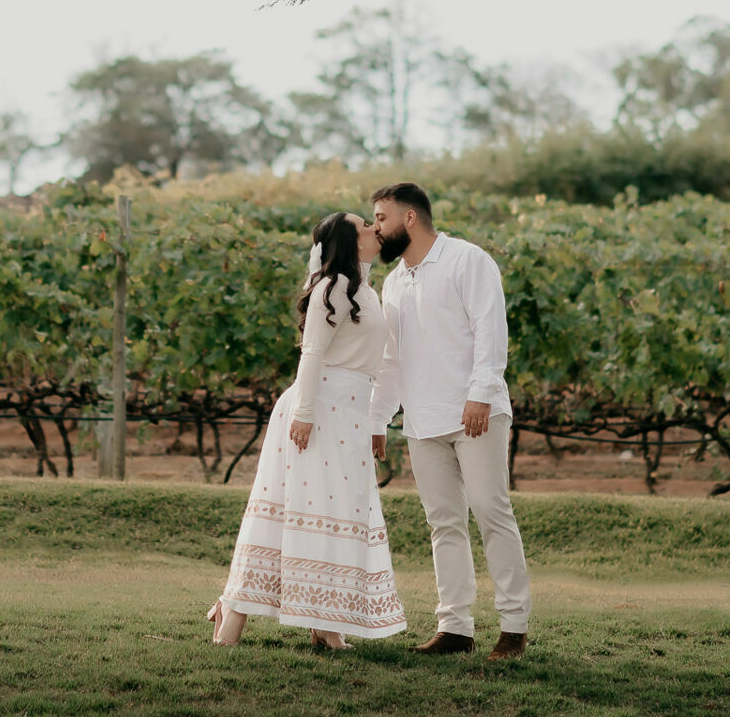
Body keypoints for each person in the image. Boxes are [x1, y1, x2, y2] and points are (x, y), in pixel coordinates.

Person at [206, 211, 407, 649]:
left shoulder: (366, 291)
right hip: (317, 411)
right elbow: (312, 352)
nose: (375, 230)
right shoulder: (332, 287)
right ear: (348, 242)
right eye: (364, 226)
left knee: (337, 514)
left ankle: (325, 623)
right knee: (282, 508)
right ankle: (232, 614)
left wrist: (376, 418)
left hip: (350, 414)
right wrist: (303, 413)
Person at [367, 181, 531, 660]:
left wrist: (481, 393)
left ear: (409, 218)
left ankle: (514, 627)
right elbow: (392, 361)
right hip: (421, 421)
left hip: (475, 414)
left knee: (491, 513)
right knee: (443, 524)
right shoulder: (393, 281)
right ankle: (455, 628)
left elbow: (489, 327)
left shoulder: (468, 260)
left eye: (381, 217)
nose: (377, 228)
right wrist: (379, 418)